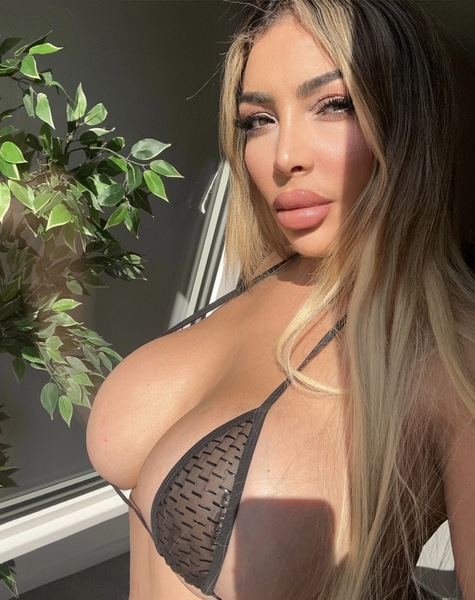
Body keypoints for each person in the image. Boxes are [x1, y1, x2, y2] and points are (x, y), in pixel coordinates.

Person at [86, 0, 475, 598]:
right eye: (259, 120)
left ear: (407, 123)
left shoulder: (449, 353)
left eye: (334, 105)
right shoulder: (271, 274)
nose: (283, 156)